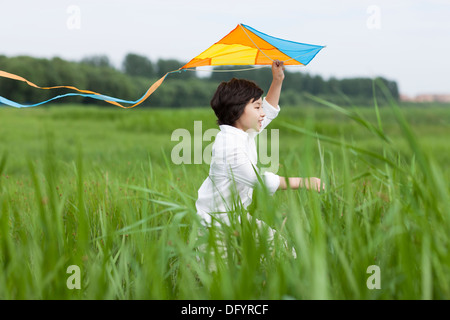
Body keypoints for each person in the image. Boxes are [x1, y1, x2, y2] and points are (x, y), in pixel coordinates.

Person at [195, 59, 324, 231]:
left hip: (236, 217)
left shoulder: (243, 132)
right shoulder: (228, 145)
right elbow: (259, 180)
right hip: (215, 225)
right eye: (257, 107)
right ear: (237, 109)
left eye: (260, 107)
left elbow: (269, 111)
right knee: (270, 252)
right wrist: (303, 182)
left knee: (282, 251)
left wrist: (277, 80)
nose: (262, 113)